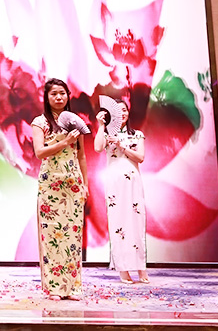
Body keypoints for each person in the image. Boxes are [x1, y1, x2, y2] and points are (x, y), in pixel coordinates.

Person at [31, 78, 88, 301]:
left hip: (73, 183)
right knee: (52, 235)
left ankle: (73, 287)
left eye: (62, 93)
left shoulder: (75, 121)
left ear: (68, 96)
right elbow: (39, 152)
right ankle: (54, 287)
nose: (58, 97)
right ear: (47, 97)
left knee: (73, 235)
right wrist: (64, 142)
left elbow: (82, 156)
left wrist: (85, 184)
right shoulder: (40, 122)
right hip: (50, 185)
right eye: (54, 93)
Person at [94, 99, 149, 284]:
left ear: (128, 112)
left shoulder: (137, 134)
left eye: (124, 110)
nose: (121, 113)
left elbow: (140, 157)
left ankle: (141, 269)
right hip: (115, 182)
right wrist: (101, 125)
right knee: (118, 223)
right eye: (117, 111)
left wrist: (122, 145)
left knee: (137, 223)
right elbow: (97, 148)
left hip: (133, 181)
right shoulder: (107, 134)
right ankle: (123, 270)